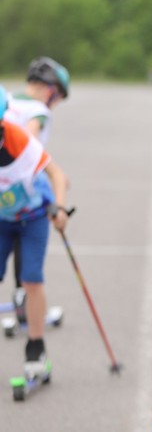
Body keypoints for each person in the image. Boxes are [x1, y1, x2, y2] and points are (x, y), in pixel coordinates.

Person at [0, 85, 70, 378]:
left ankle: (36, 347)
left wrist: (61, 208)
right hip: (3, 219)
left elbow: (57, 176)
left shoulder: (20, 140)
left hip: (33, 217)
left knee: (30, 278)